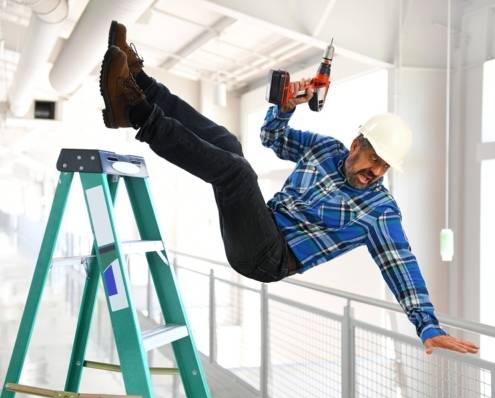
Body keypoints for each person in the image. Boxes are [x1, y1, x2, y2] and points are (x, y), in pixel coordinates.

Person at [99, 21, 479, 356]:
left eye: (384, 166)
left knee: (237, 174)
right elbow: (271, 137)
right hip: (262, 223)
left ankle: (136, 113)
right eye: (373, 159)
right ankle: (141, 86)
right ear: (355, 145)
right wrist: (285, 107)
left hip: (269, 258)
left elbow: (402, 266)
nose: (375, 171)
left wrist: (427, 326)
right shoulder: (324, 148)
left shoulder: (379, 210)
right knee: (230, 144)